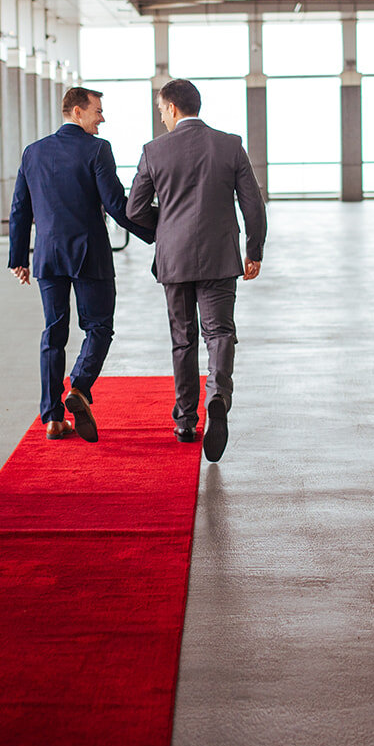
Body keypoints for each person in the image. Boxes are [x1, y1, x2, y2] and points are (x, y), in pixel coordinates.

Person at [127, 78, 266, 462]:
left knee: (183, 338)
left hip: (174, 259)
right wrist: (254, 249)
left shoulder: (154, 151)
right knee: (220, 332)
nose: (162, 119)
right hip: (221, 255)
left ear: (172, 108)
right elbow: (253, 203)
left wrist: (167, 228)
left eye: (161, 112)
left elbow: (134, 210)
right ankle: (218, 394)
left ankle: (186, 421)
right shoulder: (230, 144)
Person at [7, 87, 154, 440]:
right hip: (90, 255)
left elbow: (19, 209)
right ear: (77, 111)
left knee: (53, 334)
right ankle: (80, 387)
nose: (102, 118)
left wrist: (18, 257)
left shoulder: (33, 152)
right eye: (97, 111)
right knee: (99, 327)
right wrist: (157, 230)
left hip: (47, 256)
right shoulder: (97, 149)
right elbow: (117, 206)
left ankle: (53, 419)